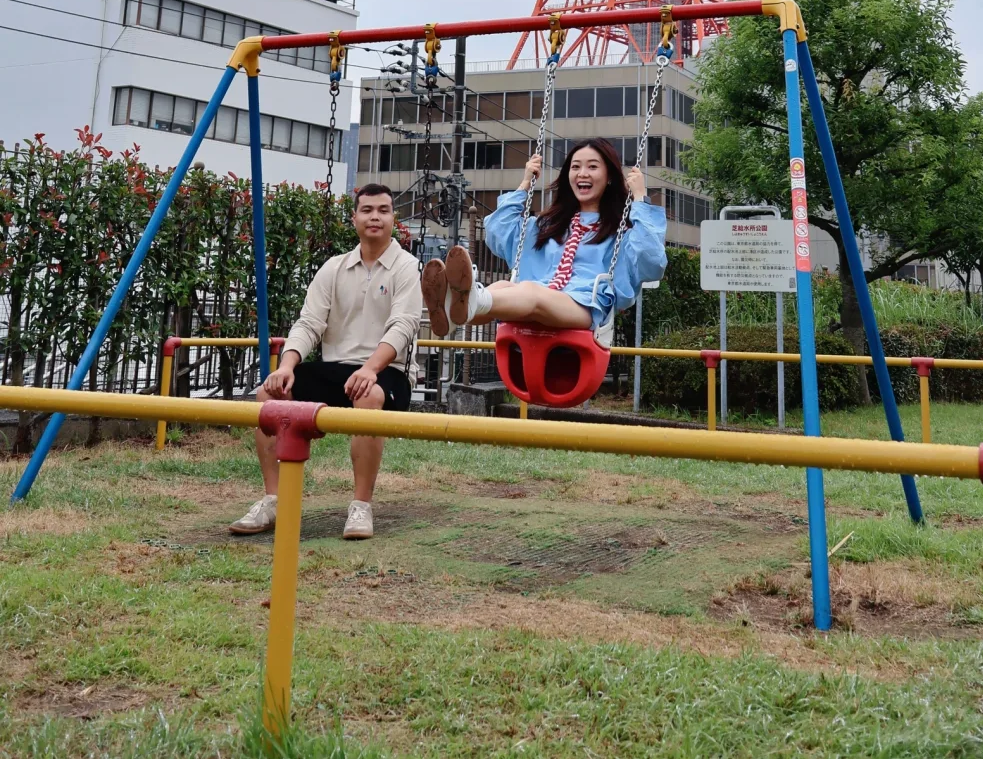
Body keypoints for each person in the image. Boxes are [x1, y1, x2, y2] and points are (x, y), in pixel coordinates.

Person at [228, 182, 421, 541]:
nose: (375, 217)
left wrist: (371, 368)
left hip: (388, 371)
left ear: (393, 218)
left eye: (383, 210)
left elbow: (403, 326)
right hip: (337, 368)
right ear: (354, 218)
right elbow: (309, 323)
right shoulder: (334, 268)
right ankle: (273, 499)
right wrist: (286, 366)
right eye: (367, 210)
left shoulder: (406, 268)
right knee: (268, 395)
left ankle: (361, 506)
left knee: (370, 395)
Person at [420, 139, 667, 336]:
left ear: (610, 176)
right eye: (575, 167)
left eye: (592, 167)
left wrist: (640, 198)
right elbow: (497, 233)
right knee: (503, 287)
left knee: (530, 291)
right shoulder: (549, 225)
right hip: (537, 296)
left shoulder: (620, 232)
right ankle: (452, 315)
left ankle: (467, 297)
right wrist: (525, 183)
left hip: (584, 306)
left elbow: (652, 262)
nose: (582, 173)